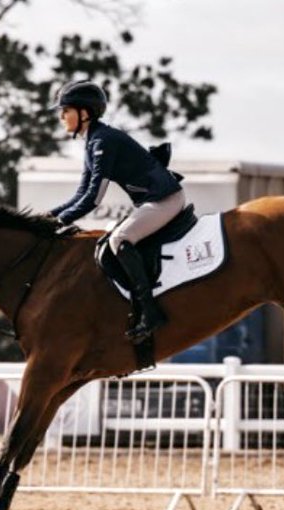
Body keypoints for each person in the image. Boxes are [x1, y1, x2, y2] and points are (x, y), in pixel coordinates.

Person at [47, 79, 186, 343]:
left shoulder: (103, 141)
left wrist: (59, 220)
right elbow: (81, 193)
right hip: (152, 200)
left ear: (84, 113)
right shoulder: (93, 141)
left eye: (65, 110)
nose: (61, 116)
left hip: (165, 199)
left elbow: (92, 199)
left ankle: (150, 311)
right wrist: (48, 217)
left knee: (120, 239)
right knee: (111, 240)